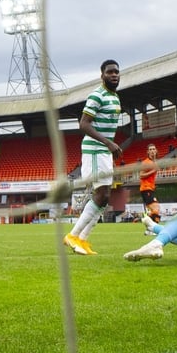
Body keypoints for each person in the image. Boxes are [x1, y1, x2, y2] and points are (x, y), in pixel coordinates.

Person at [63, 59, 123, 256]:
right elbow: (84, 124)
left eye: (116, 72)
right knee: (101, 194)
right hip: (95, 150)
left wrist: (109, 145)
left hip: (104, 151)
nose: (114, 75)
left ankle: (82, 239)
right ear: (102, 75)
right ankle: (73, 235)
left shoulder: (114, 97)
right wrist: (108, 143)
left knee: (105, 197)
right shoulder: (97, 95)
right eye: (110, 72)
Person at [139, 143, 161, 233]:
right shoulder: (146, 162)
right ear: (148, 152)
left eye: (154, 149)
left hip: (150, 188)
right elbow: (141, 175)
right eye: (150, 149)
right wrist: (153, 171)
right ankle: (152, 229)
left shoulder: (154, 162)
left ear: (156, 151)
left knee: (155, 209)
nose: (152, 151)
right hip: (146, 188)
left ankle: (149, 228)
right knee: (156, 208)